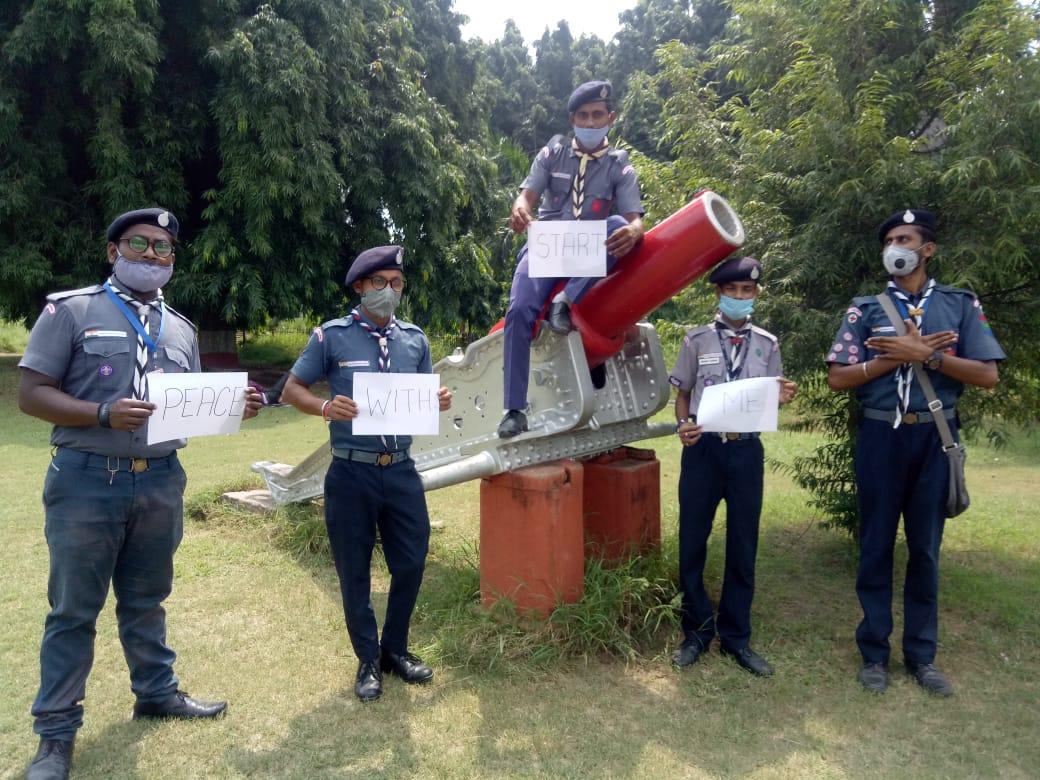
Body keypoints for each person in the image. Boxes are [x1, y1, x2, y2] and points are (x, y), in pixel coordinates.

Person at [18, 208, 264, 780]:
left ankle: (156, 693)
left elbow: (192, 404)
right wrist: (101, 411)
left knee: (147, 597)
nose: (154, 255)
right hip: (86, 479)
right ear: (114, 251)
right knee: (74, 610)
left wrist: (236, 407)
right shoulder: (72, 310)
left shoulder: (180, 328)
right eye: (141, 243)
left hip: (159, 480)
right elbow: (31, 394)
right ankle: (55, 736)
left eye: (164, 249)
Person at [826, 208, 1004, 696]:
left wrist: (929, 356)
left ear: (928, 249)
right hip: (881, 438)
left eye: (904, 238)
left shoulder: (959, 305)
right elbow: (838, 378)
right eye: (888, 239)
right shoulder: (865, 309)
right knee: (876, 546)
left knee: (925, 549)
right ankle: (874, 654)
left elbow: (987, 376)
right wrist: (890, 359)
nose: (894, 246)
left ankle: (923, 658)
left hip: (933, 439)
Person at [281, 245, 452, 703]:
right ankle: (367, 659)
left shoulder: (415, 340)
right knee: (354, 570)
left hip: (399, 470)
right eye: (381, 283)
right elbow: (290, 388)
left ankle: (395, 649)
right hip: (351, 473)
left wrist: (436, 401)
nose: (390, 291)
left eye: (397, 283)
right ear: (360, 286)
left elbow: (421, 399)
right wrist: (323, 406)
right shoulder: (330, 337)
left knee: (412, 562)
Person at [668, 256, 797, 677]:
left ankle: (737, 637)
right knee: (692, 542)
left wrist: (783, 396)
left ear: (756, 295)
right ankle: (698, 632)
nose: (740, 298)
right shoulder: (696, 341)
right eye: (732, 291)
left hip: (746, 453)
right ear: (718, 293)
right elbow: (683, 393)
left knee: (744, 545)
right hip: (704, 451)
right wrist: (683, 424)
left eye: (748, 291)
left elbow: (771, 393)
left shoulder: (768, 344)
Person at [498, 79, 645, 438]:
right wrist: (519, 210)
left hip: (589, 251)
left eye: (598, 115)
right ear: (572, 119)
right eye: (583, 116)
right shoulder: (553, 154)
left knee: (620, 228)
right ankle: (514, 409)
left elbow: (633, 219)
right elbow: (525, 198)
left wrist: (636, 229)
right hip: (549, 244)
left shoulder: (619, 166)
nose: (591, 123)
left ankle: (566, 300)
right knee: (518, 311)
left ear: (611, 117)